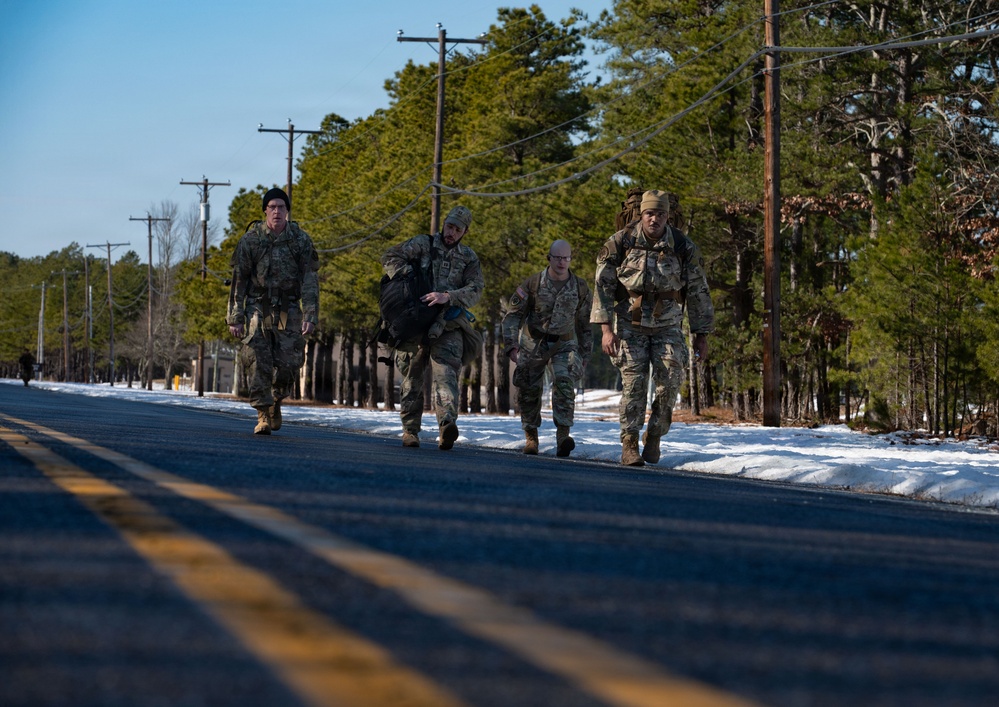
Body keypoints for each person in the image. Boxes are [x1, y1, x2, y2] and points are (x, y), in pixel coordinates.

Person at [591, 189, 714, 466]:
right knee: (633, 386)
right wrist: (606, 330)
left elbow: (698, 291)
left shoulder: (682, 246)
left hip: (668, 325)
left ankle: (655, 435)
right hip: (629, 324)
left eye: (660, 214)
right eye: (649, 213)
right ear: (641, 215)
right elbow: (602, 287)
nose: (654, 219)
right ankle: (630, 443)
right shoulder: (620, 242)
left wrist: (701, 335)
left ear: (667, 217)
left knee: (669, 384)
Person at [381, 205, 484, 450]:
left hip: (448, 324)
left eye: (457, 229)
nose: (451, 232)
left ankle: (447, 424)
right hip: (414, 322)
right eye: (449, 226)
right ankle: (410, 431)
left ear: (464, 232)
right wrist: (409, 279)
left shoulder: (468, 257)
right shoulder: (422, 244)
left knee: (446, 376)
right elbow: (389, 257)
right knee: (411, 378)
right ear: (444, 224)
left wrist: (448, 296)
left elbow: (476, 289)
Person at [227, 187, 319, 435]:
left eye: (281, 207)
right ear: (265, 211)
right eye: (272, 207)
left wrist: (310, 314)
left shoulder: (300, 241)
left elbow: (310, 280)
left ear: (287, 211)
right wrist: (235, 317)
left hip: (287, 308)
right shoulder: (251, 240)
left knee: (289, 362)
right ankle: (262, 413)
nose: (277, 211)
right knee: (259, 357)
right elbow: (240, 281)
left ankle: (276, 400)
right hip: (259, 305)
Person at [502, 239, 592, 457]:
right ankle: (531, 437)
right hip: (534, 342)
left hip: (564, 342)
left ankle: (563, 436)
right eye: (558, 257)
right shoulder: (532, 285)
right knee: (529, 389)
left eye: (566, 258)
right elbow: (512, 317)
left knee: (564, 383)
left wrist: (585, 352)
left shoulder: (580, 287)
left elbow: (585, 322)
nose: (562, 262)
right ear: (549, 258)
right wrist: (511, 345)